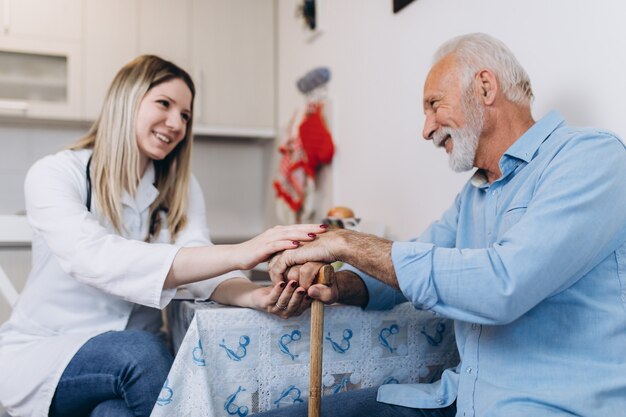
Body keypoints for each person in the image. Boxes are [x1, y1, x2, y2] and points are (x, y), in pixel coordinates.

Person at [260, 33, 626, 416]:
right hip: (457, 400)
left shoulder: (592, 160)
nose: (426, 129)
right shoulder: (476, 192)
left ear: (485, 86)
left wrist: (345, 243)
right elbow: (414, 260)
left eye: (434, 105)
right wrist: (337, 284)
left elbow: (503, 286)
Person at [0, 55, 324, 417]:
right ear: (127, 100)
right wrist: (242, 251)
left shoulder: (180, 189)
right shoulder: (56, 173)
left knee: (115, 412)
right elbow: (92, 257)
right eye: (164, 104)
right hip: (49, 354)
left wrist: (254, 295)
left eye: (185, 115)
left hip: (122, 373)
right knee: (141, 352)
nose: (176, 123)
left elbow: (202, 262)